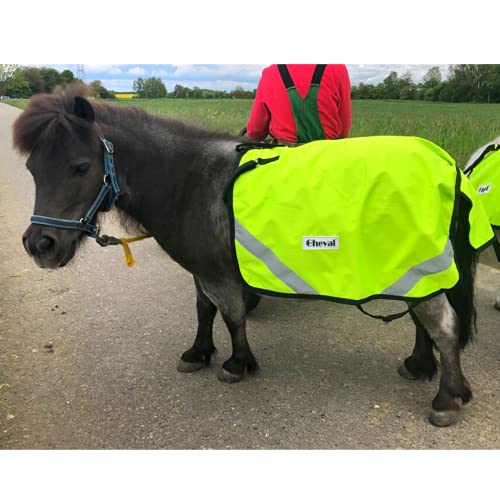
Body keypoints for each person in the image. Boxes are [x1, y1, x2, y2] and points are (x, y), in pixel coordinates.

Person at [246, 64, 352, 144]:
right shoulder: (338, 69)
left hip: (284, 159)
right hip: (327, 156)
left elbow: (255, 132)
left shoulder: (270, 73)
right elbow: (344, 130)